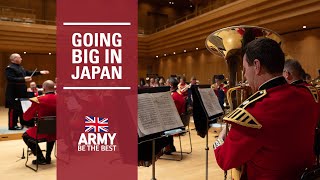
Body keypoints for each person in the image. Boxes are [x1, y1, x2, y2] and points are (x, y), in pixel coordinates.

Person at [213, 38, 320, 179]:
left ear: (256, 66)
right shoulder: (309, 95)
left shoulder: (252, 114)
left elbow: (225, 160)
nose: (244, 75)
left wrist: (221, 136)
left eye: (245, 69)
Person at [5, 53, 49, 130]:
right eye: (19, 57)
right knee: (13, 109)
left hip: (21, 91)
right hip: (13, 92)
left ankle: (23, 123)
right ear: (14, 59)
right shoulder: (10, 68)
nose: (21, 58)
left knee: (20, 108)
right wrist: (24, 79)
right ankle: (12, 126)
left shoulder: (20, 67)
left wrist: (39, 72)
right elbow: (10, 79)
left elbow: (28, 73)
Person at [22, 80, 56, 165]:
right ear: (54, 88)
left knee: (25, 136)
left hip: (43, 130)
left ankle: (40, 158)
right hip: (58, 130)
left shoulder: (38, 100)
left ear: (43, 89)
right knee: (52, 130)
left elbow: (26, 117)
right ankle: (48, 157)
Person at [164, 77, 186, 154]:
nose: (165, 84)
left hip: (174, 123)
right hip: (180, 121)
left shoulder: (172, 96)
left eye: (166, 83)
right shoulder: (179, 94)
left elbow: (170, 112)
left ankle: (167, 147)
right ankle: (170, 146)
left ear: (170, 85)